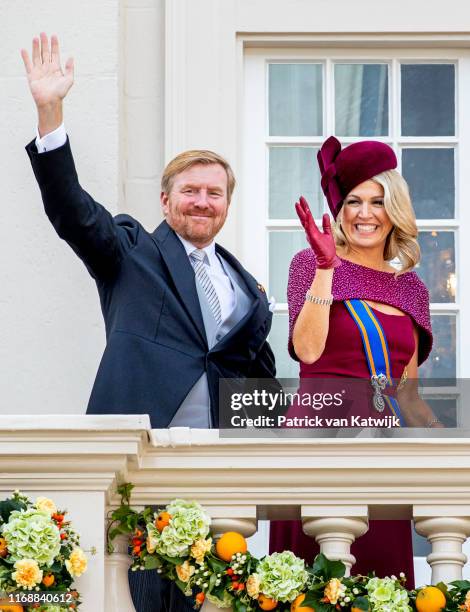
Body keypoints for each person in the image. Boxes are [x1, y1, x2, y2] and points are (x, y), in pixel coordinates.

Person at [21, 33, 277, 612]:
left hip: (216, 465)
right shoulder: (131, 250)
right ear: (166, 201)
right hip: (141, 451)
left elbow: (258, 383)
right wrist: (50, 113)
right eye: (190, 191)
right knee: (135, 592)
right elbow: (73, 210)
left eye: (214, 193)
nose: (202, 201)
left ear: (227, 206)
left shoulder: (247, 288)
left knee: (207, 596)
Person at [270, 135, 443, 586]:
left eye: (378, 201)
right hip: (319, 434)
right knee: (312, 583)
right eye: (354, 201)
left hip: (383, 445)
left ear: (396, 209)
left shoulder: (412, 289)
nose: (366, 213)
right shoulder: (309, 263)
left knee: (381, 582)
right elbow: (307, 350)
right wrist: (327, 267)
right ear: (340, 209)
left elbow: (408, 394)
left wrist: (450, 442)